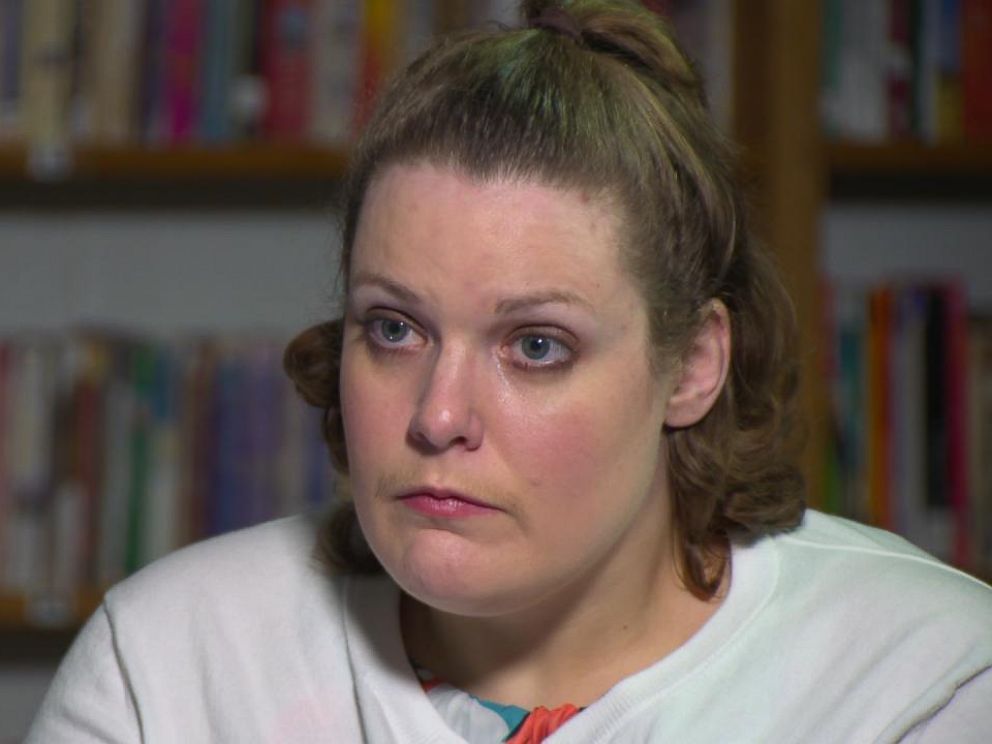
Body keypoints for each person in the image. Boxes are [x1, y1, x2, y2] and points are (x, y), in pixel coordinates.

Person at [28, 1, 992, 742]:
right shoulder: (171, 667)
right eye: (395, 329)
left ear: (693, 365)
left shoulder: (919, 682)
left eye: (536, 346)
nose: (438, 415)